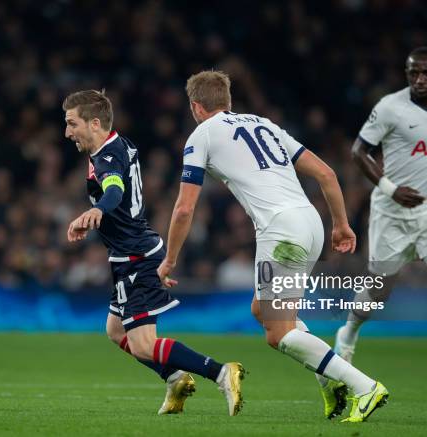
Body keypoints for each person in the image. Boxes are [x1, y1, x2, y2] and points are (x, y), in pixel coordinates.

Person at [157, 71, 388, 422]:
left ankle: (363, 386)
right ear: (228, 102)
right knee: (263, 310)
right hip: (310, 223)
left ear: (196, 107)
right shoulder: (265, 125)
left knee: (277, 331)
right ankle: (329, 382)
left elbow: (185, 207)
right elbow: (326, 173)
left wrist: (170, 258)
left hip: (280, 230)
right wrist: (340, 224)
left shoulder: (200, 135)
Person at [63, 89, 245, 416]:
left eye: (72, 123)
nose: (67, 132)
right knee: (116, 331)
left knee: (144, 344)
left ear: (94, 123)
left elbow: (115, 189)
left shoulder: (107, 157)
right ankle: (175, 378)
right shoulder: (118, 143)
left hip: (137, 257)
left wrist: (96, 212)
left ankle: (220, 372)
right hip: (130, 254)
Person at [333, 47, 427, 405]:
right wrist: (390, 188)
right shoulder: (389, 108)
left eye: (426, 74)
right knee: (380, 292)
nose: (419, 80)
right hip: (391, 212)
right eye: (413, 73)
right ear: (406, 74)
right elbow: (358, 152)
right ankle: (349, 332)